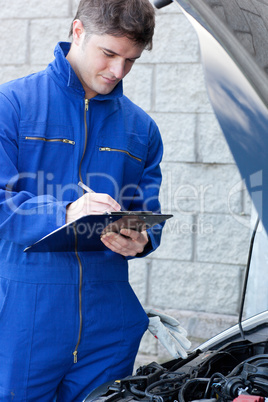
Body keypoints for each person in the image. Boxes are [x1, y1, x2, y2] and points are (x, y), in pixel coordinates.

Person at [0, 0, 164, 400]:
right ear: (78, 31)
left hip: (109, 322)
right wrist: (65, 211)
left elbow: (145, 209)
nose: (117, 71)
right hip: (24, 315)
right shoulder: (12, 106)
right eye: (108, 53)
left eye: (131, 60)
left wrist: (142, 240)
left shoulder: (141, 128)